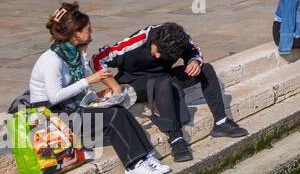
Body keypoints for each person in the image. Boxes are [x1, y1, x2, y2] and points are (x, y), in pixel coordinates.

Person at [30, 3, 169, 174]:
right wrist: (88, 81)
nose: (92, 30)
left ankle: (146, 156)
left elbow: (87, 79)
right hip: (51, 118)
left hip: (69, 108)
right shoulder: (52, 60)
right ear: (76, 33)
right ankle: (133, 166)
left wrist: (109, 94)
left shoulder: (75, 54)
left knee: (119, 110)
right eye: (88, 28)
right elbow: (54, 96)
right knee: (112, 117)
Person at [93, 22, 248, 163]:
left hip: (164, 77)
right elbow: (98, 58)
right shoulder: (137, 41)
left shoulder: (181, 39)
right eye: (157, 50)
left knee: (206, 69)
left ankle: (221, 123)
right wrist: (114, 86)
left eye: (164, 54)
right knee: (163, 83)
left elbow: (193, 51)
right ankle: (176, 138)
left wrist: (194, 62)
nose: (158, 56)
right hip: (136, 84)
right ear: (153, 40)